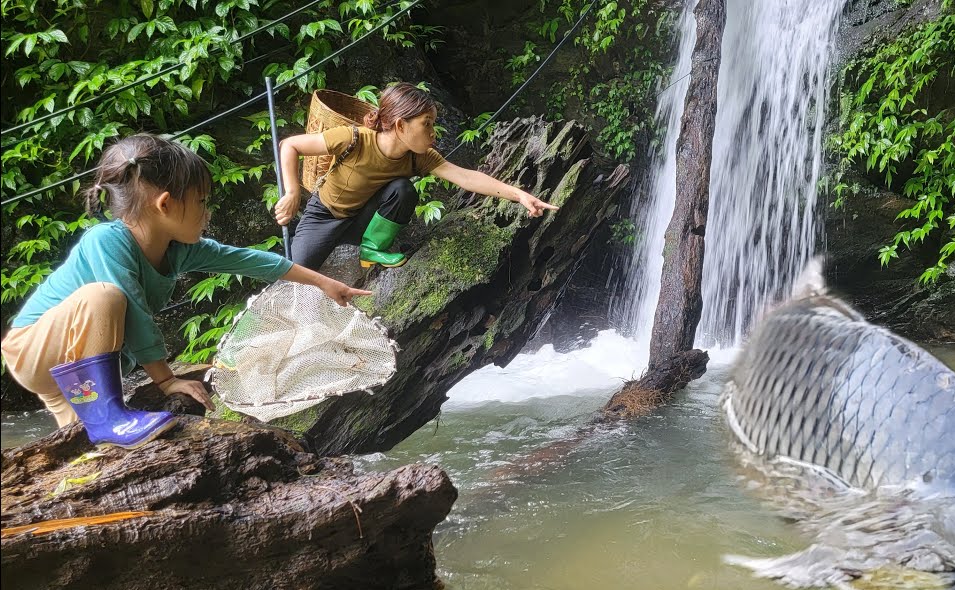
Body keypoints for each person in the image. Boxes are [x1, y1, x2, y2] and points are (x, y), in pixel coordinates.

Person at [0, 133, 372, 449]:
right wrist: (165, 379)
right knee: (106, 297)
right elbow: (135, 313)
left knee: (85, 447)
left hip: (73, 379)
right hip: (35, 350)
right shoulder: (107, 240)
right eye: (201, 201)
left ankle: (98, 431)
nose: (206, 212)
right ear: (165, 204)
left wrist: (325, 283)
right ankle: (108, 415)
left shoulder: (179, 249)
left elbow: (250, 261)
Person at [273, 81, 559, 270]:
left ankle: (372, 249)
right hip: (324, 216)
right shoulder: (353, 138)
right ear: (400, 125)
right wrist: (293, 192)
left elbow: (467, 177)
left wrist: (519, 195)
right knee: (294, 274)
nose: (433, 132)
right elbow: (290, 145)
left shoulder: (419, 157)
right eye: (427, 124)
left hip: (362, 217)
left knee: (402, 189)